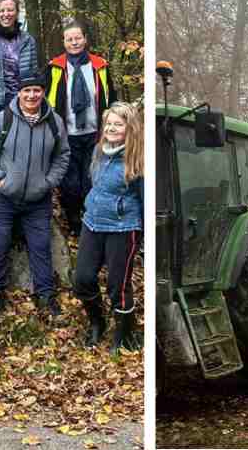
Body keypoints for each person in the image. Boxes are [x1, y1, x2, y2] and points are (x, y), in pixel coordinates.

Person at [0, 73, 70, 315]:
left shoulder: (54, 122)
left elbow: (63, 155)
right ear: (19, 92)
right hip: (3, 197)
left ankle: (45, 296)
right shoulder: (3, 119)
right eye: (26, 91)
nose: (31, 95)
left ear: (43, 93)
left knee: (40, 245)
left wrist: (48, 182)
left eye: (37, 90)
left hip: (38, 199)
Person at [73, 102, 143, 353]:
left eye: (118, 124)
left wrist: (141, 234)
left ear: (129, 128)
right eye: (109, 123)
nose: (112, 128)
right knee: (82, 278)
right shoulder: (98, 152)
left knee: (117, 284)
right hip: (93, 223)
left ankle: (124, 333)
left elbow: (144, 199)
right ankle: (97, 322)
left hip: (123, 227)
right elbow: (93, 184)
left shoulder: (137, 159)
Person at [46, 20, 117, 234]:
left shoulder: (100, 66)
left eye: (78, 38)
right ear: (64, 42)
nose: (74, 42)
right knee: (70, 184)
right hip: (67, 134)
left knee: (91, 180)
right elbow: (45, 99)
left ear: (85, 39)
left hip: (95, 134)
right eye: (69, 39)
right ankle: (74, 222)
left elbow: (110, 97)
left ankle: (89, 221)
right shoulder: (55, 67)